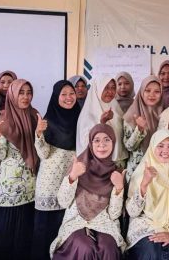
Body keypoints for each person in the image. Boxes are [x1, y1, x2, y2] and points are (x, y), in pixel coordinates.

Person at [51, 124, 126, 259]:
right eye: (96, 140)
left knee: (108, 247)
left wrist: (119, 188)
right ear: (90, 143)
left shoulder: (117, 172)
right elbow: (63, 202)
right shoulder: (79, 166)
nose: (102, 145)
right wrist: (73, 176)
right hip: (76, 222)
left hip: (105, 224)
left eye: (107, 139)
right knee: (84, 246)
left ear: (113, 143)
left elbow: (114, 214)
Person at [31, 80, 82, 260]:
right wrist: (39, 134)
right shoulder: (48, 120)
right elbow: (44, 154)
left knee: (65, 229)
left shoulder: (80, 118)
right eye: (63, 94)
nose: (69, 98)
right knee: (44, 231)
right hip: (49, 182)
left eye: (71, 93)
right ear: (56, 97)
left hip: (70, 179)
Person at [0, 79, 39, 260]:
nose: (25, 97)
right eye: (21, 93)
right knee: (8, 237)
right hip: (10, 188)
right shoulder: (4, 120)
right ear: (12, 95)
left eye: (28, 92)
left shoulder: (34, 116)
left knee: (25, 236)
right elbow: (1, 154)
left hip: (31, 184)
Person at [126, 129, 169, 260]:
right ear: (152, 148)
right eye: (160, 145)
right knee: (152, 251)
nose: (165, 150)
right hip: (145, 227)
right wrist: (144, 184)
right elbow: (132, 212)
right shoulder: (140, 173)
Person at [76, 76, 127, 166]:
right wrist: (102, 123)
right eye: (106, 87)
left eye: (113, 87)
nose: (110, 91)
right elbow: (86, 144)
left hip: (118, 163)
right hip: (97, 166)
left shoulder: (116, 109)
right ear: (98, 89)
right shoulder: (88, 114)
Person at [123, 76, 163, 179]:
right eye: (147, 90)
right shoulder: (131, 115)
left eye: (157, 91)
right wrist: (139, 129)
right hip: (137, 171)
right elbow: (129, 147)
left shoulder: (164, 114)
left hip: (159, 169)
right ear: (141, 92)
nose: (152, 95)